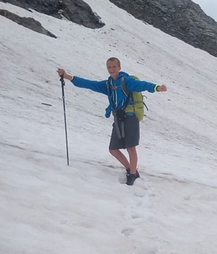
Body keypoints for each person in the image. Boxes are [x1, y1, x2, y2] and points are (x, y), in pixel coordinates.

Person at [57, 57, 167, 185]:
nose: (111, 69)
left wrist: (157, 88)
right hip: (119, 118)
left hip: (130, 116)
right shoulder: (108, 84)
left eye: (114, 67)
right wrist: (68, 76)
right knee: (113, 149)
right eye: (109, 67)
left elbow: (141, 85)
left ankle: (133, 175)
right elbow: (89, 84)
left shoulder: (127, 81)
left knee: (131, 147)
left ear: (119, 68)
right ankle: (130, 169)